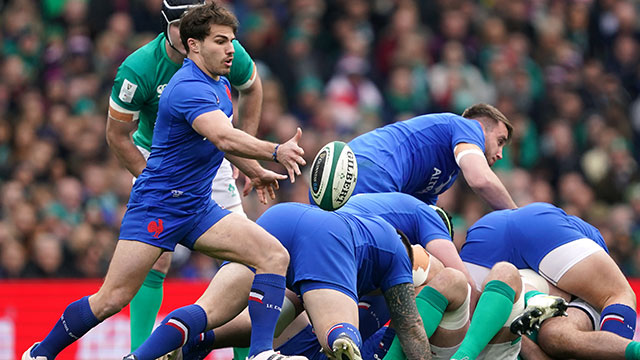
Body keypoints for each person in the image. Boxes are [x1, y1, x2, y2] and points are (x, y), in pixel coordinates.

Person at [23, 3, 306, 360]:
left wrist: (254, 170)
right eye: (221, 41)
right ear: (194, 45)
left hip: (198, 206)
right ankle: (40, 353)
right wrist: (275, 150)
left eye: (233, 40)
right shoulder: (186, 86)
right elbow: (222, 136)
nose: (232, 49)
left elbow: (220, 135)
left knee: (273, 255)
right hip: (159, 205)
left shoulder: (218, 79)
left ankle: (260, 353)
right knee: (111, 299)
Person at [105, 0, 262, 351]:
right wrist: (153, 180)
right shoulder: (139, 67)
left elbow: (252, 87)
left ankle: (244, 353)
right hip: (158, 160)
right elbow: (117, 135)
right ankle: (141, 351)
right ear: (166, 25)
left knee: (244, 256)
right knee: (155, 258)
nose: (189, 33)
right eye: (181, 26)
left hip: (211, 155)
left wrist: (243, 153)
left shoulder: (224, 49)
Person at [135, 202, 432, 360]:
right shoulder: (398, 261)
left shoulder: (369, 220)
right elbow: (411, 327)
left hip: (283, 217)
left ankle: (150, 353)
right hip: (327, 243)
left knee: (208, 313)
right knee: (340, 338)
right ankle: (264, 354)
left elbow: (284, 312)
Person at [459, 202, 638, 358]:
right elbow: (481, 180)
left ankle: (533, 298)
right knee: (615, 296)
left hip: (490, 230)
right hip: (530, 223)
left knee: (553, 335)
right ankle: (534, 298)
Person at [346, 103, 517, 210]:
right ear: (480, 127)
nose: (500, 154)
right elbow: (481, 179)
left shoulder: (447, 174)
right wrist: (516, 215)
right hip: (371, 166)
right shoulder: (467, 126)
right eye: (500, 141)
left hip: (354, 165)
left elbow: (421, 211)